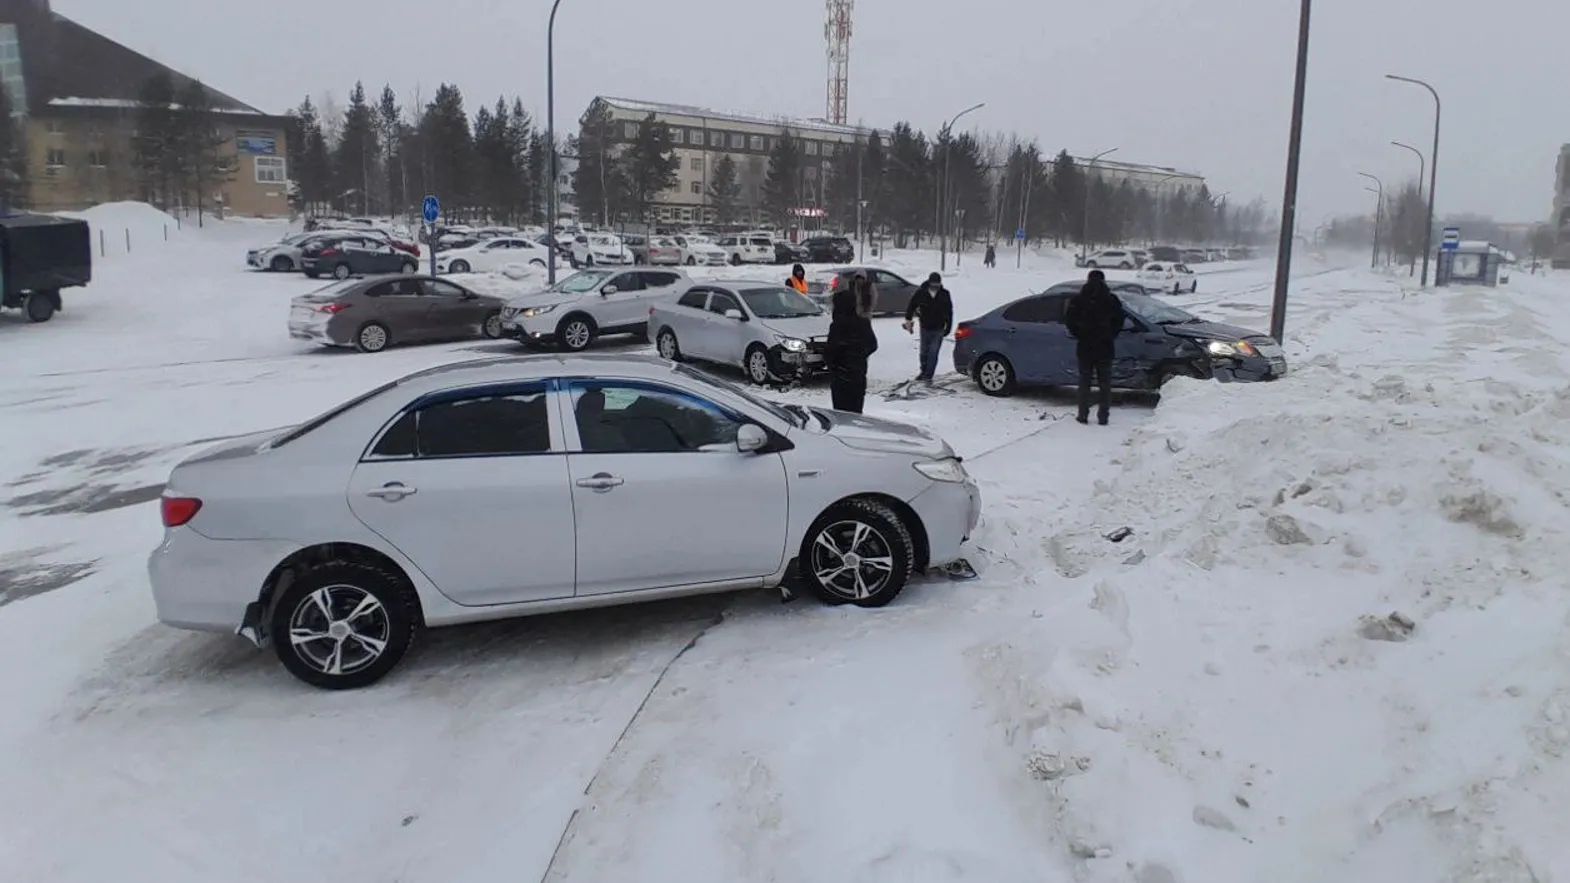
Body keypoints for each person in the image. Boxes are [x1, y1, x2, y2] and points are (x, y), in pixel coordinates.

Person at [1063, 269, 1125, 425]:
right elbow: (1120, 321)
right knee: (1105, 384)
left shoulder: (1079, 300)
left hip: (1085, 346)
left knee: (1084, 382)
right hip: (1105, 346)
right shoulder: (1111, 300)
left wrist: (1080, 334)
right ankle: (1103, 416)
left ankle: (1082, 415)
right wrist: (1110, 334)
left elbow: (1070, 321)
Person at [826, 271, 878, 412]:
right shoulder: (862, 323)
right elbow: (872, 345)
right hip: (857, 375)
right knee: (856, 412)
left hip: (840, 378)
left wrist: (835, 366)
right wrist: (859, 355)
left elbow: (830, 352)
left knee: (840, 412)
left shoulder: (837, 326)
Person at [902, 272, 953, 385]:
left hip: (939, 328)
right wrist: (908, 318)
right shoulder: (921, 292)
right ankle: (923, 371)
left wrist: (948, 327)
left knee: (933, 352)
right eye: (933, 283)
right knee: (924, 352)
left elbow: (949, 311)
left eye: (937, 284)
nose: (935, 286)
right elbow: (912, 305)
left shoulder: (945, 294)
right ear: (929, 282)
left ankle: (928, 375)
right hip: (925, 327)